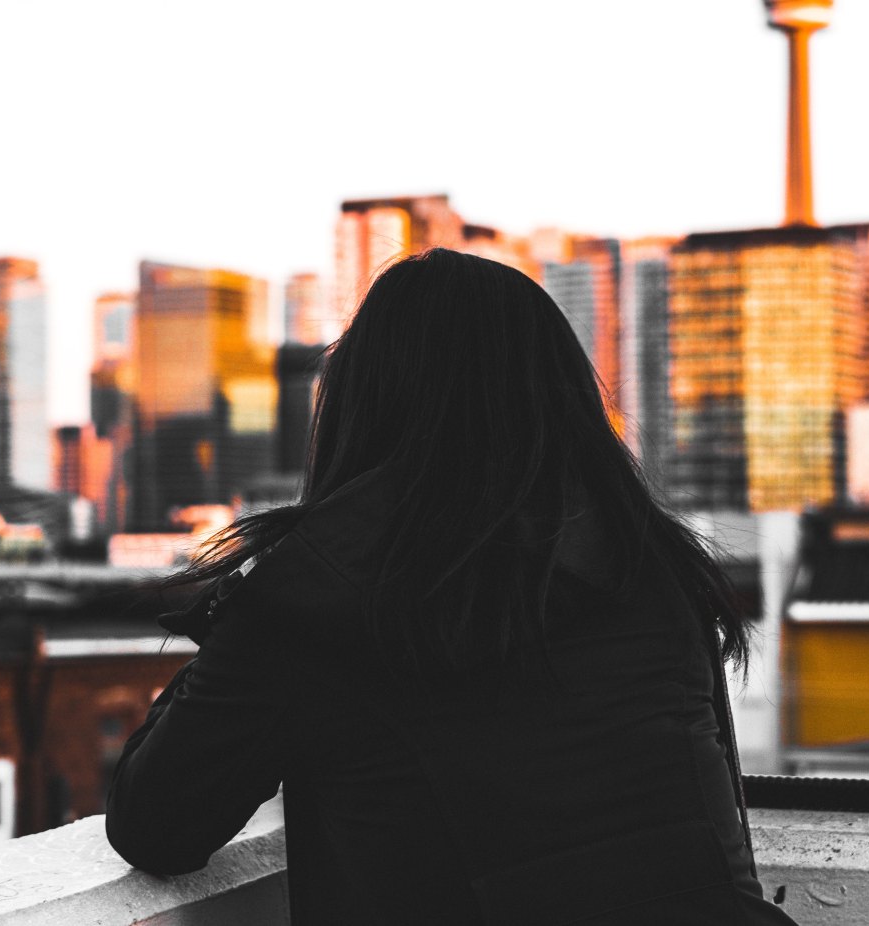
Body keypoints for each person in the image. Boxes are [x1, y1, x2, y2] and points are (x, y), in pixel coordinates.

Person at [106, 248, 799, 924]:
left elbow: (155, 824)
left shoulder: (321, 586)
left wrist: (244, 609)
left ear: (363, 400)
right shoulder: (651, 565)